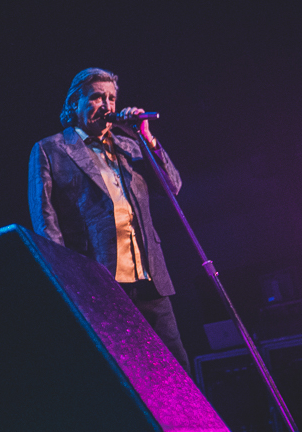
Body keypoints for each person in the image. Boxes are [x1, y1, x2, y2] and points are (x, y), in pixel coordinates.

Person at [28, 68, 189, 369]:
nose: (107, 106)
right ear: (74, 104)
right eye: (97, 97)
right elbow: (47, 227)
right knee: (125, 375)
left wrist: (147, 137)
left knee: (178, 372)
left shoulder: (130, 146)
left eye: (112, 98)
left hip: (150, 281)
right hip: (100, 285)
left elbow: (173, 187)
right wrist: (69, 283)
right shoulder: (51, 150)